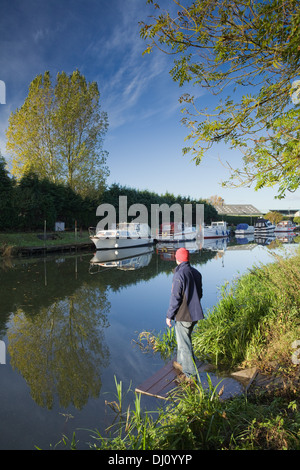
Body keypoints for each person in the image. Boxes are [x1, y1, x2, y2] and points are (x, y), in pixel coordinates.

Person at [166, 247, 204, 383]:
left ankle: (190, 375)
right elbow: (200, 293)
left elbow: (175, 297)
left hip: (184, 315)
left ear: (178, 259)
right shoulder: (196, 273)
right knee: (182, 339)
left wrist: (169, 315)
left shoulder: (179, 275)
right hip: (195, 314)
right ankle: (181, 362)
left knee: (185, 344)